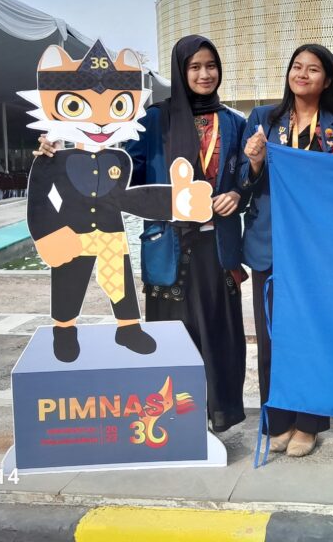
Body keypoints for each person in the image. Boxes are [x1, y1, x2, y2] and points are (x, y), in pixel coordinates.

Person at [127, 35, 249, 432]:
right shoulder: (155, 119)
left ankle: (218, 416)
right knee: (173, 334)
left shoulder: (233, 123)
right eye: (194, 67)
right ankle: (175, 424)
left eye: (211, 66)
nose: (204, 74)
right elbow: (124, 169)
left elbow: (247, 178)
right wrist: (64, 153)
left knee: (219, 334)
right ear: (181, 71)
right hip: (169, 246)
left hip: (217, 246)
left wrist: (238, 192)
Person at [239, 44, 333, 457]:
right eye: (296, 67)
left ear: (327, 79)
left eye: (313, 69)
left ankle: (309, 423)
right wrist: (253, 162)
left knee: (312, 335)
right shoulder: (263, 118)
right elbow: (241, 182)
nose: (302, 74)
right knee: (271, 338)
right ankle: (278, 420)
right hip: (269, 241)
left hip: (318, 249)